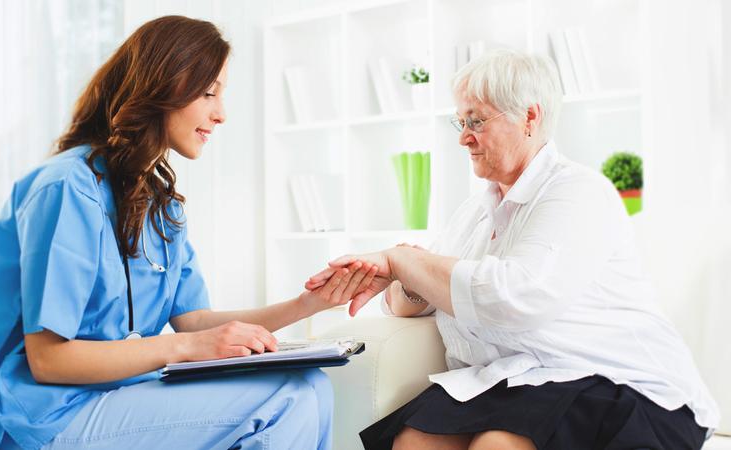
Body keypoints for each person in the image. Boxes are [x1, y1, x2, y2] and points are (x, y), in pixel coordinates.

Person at [0, 16, 378, 450]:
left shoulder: (159, 201)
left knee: (309, 385)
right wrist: (189, 347)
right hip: (46, 415)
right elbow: (47, 360)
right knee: (286, 398)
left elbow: (193, 320)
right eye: (209, 92)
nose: (221, 113)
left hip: (120, 394)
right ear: (163, 85)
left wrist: (307, 304)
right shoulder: (68, 189)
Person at [306, 49, 720, 450]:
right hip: (514, 381)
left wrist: (408, 262)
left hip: (611, 379)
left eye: (477, 120)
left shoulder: (578, 192)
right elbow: (413, 299)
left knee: (498, 444)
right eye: (460, 122)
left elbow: (517, 297)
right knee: (416, 439)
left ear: (529, 116)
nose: (464, 137)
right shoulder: (475, 211)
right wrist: (406, 280)